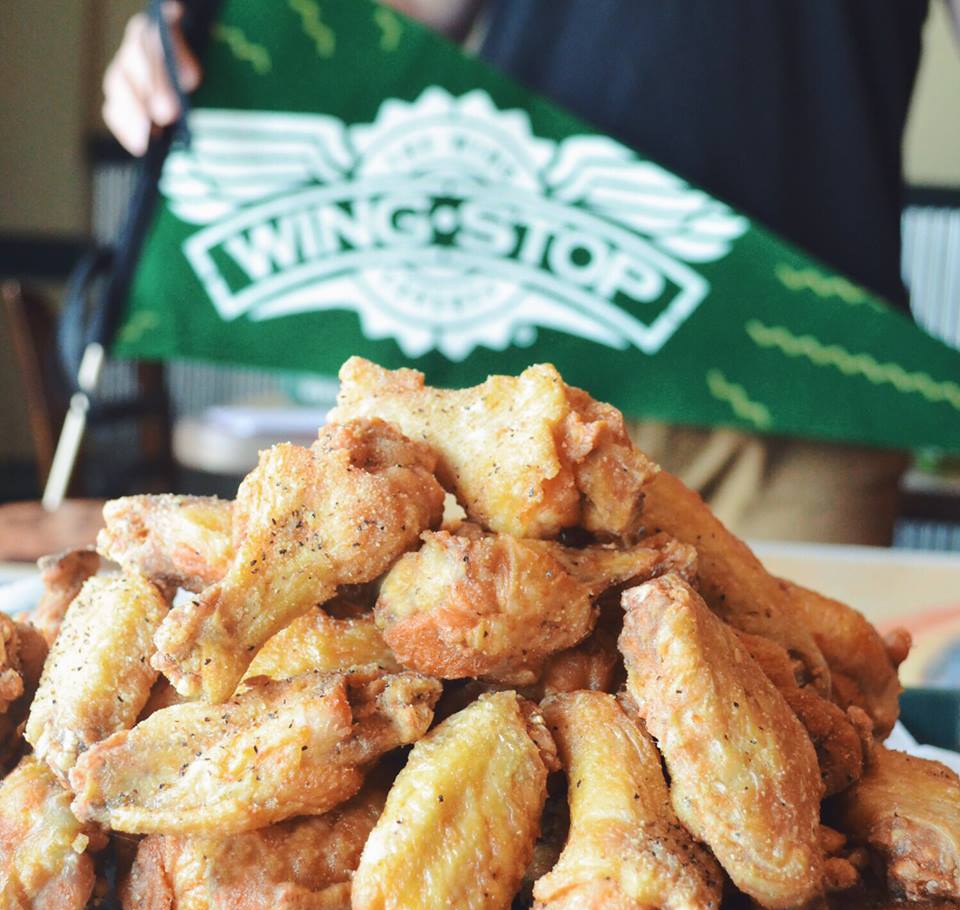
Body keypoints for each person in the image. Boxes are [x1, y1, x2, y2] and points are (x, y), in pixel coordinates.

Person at [101, 0, 960, 545]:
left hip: (816, 388)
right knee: (509, 716)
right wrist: (224, 38)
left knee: (820, 732)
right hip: (542, 379)